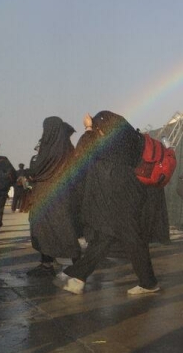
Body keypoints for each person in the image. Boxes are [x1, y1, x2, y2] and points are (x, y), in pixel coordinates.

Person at [57, 111, 158, 295]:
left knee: (132, 239)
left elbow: (82, 152)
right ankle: (78, 277)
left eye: (98, 128)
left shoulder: (112, 143)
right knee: (105, 237)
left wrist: (88, 128)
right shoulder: (129, 138)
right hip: (124, 196)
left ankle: (149, 282)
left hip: (119, 198)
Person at [27, 117, 82, 276]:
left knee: (44, 230)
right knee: (64, 228)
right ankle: (74, 263)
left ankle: (48, 264)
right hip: (65, 193)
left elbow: (36, 169)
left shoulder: (47, 148)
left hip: (45, 193)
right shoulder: (68, 148)